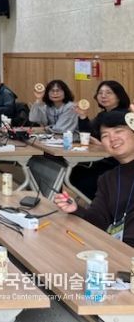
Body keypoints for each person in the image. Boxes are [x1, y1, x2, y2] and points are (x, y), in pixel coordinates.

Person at [54, 110, 134, 247]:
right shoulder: (108, 179)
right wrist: (76, 209)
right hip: (120, 248)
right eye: (105, 135)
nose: (112, 138)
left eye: (118, 131)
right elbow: (98, 220)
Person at [70, 80, 131, 199]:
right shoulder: (103, 115)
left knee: (82, 177)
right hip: (101, 158)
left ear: (119, 96)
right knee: (73, 172)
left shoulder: (123, 116)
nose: (103, 96)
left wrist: (102, 145)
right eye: (100, 93)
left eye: (108, 92)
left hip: (117, 162)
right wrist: (82, 116)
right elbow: (88, 135)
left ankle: (99, 204)